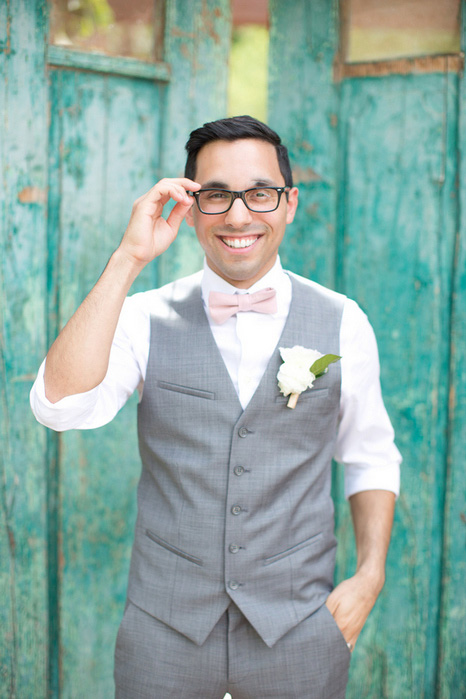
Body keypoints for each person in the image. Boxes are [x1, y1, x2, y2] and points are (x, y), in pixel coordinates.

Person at [30, 115, 401, 698]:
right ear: (189, 204)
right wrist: (128, 258)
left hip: (300, 630)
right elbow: (59, 407)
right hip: (164, 632)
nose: (237, 215)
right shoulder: (143, 317)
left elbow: (370, 456)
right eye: (216, 195)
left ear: (289, 203)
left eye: (259, 193)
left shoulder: (343, 320)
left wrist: (369, 577)